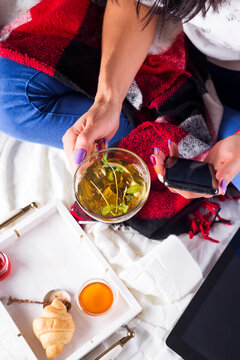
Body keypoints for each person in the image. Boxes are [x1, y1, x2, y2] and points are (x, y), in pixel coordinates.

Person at [0, 0, 239, 200]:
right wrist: (107, 101)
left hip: (229, 78)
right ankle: (144, 124)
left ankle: (155, 130)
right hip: (182, 40)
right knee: (7, 98)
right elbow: (138, 4)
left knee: (225, 169)